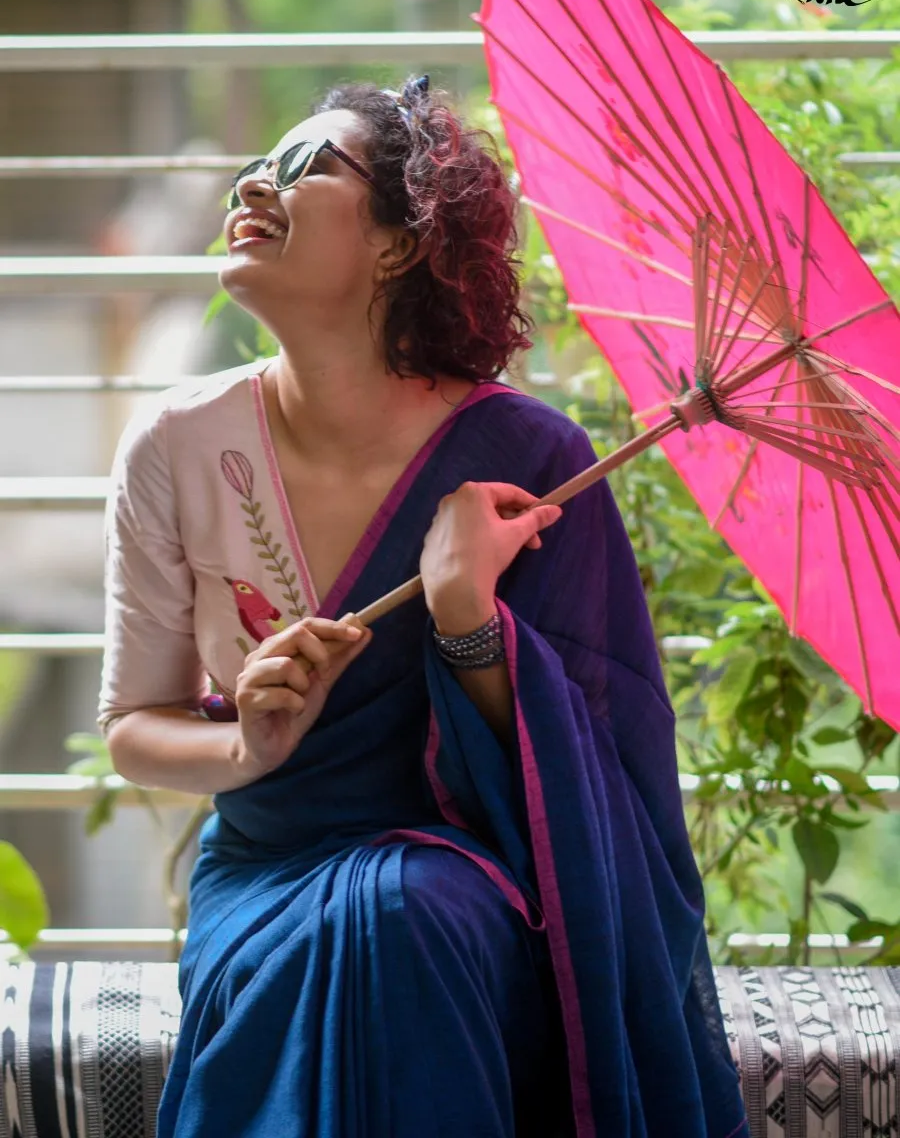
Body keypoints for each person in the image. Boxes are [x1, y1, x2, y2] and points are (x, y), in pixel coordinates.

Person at [97, 75, 749, 1138]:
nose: (257, 181)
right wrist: (250, 746)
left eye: (305, 165)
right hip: (265, 866)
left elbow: (604, 765)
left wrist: (464, 619)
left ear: (402, 242)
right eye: (257, 163)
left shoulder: (535, 462)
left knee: (399, 914)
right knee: (363, 923)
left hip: (475, 885)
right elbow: (133, 728)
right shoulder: (174, 449)